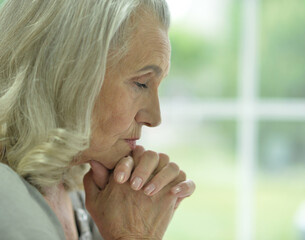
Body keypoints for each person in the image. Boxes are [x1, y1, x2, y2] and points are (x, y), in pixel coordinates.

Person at [0, 0, 196, 239]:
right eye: (141, 83)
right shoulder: (6, 200)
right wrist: (132, 235)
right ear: (68, 74)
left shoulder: (78, 190)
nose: (155, 119)